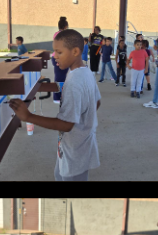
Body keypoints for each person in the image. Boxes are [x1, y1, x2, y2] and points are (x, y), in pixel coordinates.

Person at [9, 29, 100, 181]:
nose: (54, 56)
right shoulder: (85, 72)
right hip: (77, 144)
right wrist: (83, 120)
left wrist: (28, 116)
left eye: (59, 52)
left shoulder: (74, 82)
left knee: (68, 178)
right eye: (54, 51)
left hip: (75, 150)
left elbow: (66, 125)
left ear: (75, 51)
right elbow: (96, 102)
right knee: (59, 174)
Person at [52, 17, 70, 103]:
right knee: (60, 78)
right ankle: (57, 98)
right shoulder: (64, 35)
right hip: (60, 58)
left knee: (61, 78)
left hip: (57, 57)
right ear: (65, 26)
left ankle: (60, 96)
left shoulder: (56, 34)